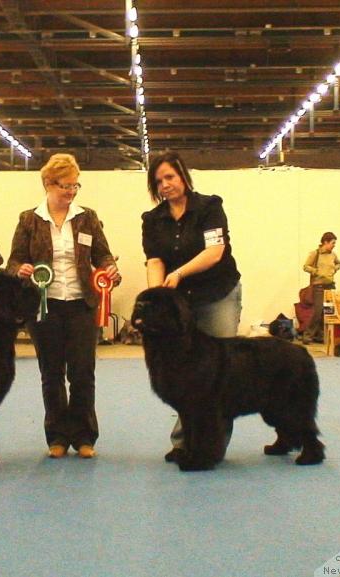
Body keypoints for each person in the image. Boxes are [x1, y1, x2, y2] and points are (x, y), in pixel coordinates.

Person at [7, 153, 120, 459]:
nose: (71, 192)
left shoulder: (88, 217)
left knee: (83, 372)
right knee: (51, 373)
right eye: (65, 186)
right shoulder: (29, 220)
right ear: (48, 184)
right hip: (45, 306)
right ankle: (57, 436)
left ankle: (85, 436)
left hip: (81, 304)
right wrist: (21, 270)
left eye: (75, 186)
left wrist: (110, 270)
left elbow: (103, 255)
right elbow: (14, 260)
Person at [141, 150, 242, 463]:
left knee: (219, 373)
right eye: (158, 181)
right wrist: (157, 295)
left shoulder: (210, 207)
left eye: (170, 177)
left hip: (217, 293)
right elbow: (154, 261)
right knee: (185, 375)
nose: (165, 185)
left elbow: (214, 252)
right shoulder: (152, 220)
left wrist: (179, 273)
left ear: (183, 175)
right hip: (180, 303)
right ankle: (184, 441)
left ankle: (212, 445)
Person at [302, 232, 340, 345]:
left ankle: (320, 336)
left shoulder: (333, 255)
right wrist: (315, 271)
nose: (334, 245)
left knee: (328, 312)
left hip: (330, 286)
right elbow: (305, 266)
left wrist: (335, 268)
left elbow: (339, 263)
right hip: (318, 286)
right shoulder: (315, 253)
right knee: (317, 311)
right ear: (325, 242)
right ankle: (307, 335)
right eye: (333, 243)